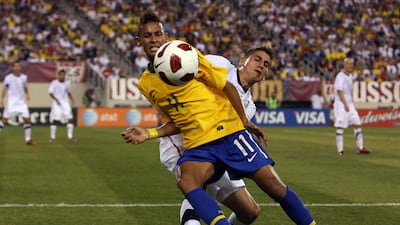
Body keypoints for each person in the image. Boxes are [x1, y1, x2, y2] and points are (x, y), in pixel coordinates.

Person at [122, 12, 317, 225]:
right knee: (189, 183)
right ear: (139, 41)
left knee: (257, 203)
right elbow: (176, 119)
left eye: (158, 34)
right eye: (148, 35)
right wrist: (150, 133)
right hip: (192, 143)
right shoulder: (150, 82)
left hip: (227, 133)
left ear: (166, 36)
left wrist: (244, 121)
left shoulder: (192, 57)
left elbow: (225, 86)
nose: (154, 40)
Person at [155, 48, 270, 225]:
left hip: (214, 149)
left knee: (250, 212)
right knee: (198, 186)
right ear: (242, 62)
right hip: (183, 141)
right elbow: (184, 71)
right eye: (257, 59)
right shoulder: (220, 64)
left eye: (266, 65)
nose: (261, 65)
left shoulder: (250, 107)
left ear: (265, 75)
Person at [334, 57, 370, 156]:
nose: (350, 65)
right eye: (348, 64)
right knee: (340, 127)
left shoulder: (350, 76)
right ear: (344, 65)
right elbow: (339, 91)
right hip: (341, 105)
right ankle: (340, 150)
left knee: (357, 124)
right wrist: (345, 104)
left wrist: (349, 103)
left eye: (351, 64)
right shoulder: (340, 76)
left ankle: (361, 148)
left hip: (350, 104)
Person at [0, 61, 35, 145]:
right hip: (11, 103)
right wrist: (2, 98)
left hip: (21, 103)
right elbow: (5, 89)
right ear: (13, 68)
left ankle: (28, 140)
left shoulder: (24, 77)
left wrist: (27, 95)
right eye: (15, 66)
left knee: (27, 119)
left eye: (18, 66)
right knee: (4, 120)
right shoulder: (8, 78)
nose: (17, 68)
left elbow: (25, 86)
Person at [48, 69, 76, 142]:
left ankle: (70, 137)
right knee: (55, 120)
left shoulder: (67, 83)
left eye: (64, 75)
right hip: (57, 103)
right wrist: (56, 99)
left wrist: (72, 100)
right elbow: (50, 93)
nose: (63, 76)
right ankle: (52, 137)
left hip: (65, 103)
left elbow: (68, 92)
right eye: (61, 75)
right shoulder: (54, 83)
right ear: (58, 75)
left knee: (70, 119)